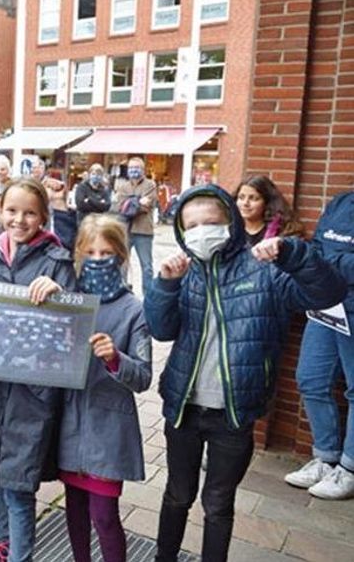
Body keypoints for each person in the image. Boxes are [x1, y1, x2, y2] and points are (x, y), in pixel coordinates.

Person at [145, 185, 345, 561]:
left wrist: (295, 256)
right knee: (176, 494)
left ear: (231, 223)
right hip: (183, 409)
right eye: (193, 225)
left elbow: (326, 294)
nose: (202, 231)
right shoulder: (186, 272)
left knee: (218, 503)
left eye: (212, 222)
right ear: (181, 231)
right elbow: (161, 330)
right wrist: (164, 285)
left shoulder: (264, 270)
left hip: (233, 413)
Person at [0, 177, 75, 562]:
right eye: (11, 210)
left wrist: (59, 295)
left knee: (19, 489)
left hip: (30, 395)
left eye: (29, 213)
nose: (19, 219)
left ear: (43, 216)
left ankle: (19, 555)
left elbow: (70, 330)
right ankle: (2, 546)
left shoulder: (56, 262)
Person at [45, 214, 151, 562]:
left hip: (108, 431)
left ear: (121, 256)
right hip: (69, 426)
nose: (97, 260)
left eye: (106, 252)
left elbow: (144, 376)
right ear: (77, 254)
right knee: (73, 512)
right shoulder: (68, 300)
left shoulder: (133, 310)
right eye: (89, 252)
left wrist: (115, 359)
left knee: (104, 517)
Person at [284, 189, 354, 500]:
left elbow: (325, 256)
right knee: (311, 379)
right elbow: (315, 246)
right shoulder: (341, 202)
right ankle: (326, 457)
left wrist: (327, 259)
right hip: (325, 306)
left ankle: (349, 469)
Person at [112, 157, 157, 295]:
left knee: (147, 266)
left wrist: (130, 202)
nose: (133, 171)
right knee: (122, 263)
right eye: (131, 168)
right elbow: (119, 207)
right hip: (125, 230)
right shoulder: (123, 186)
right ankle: (123, 291)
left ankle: (148, 294)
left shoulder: (150, 185)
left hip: (143, 231)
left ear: (143, 170)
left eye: (137, 168)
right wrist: (138, 201)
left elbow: (147, 206)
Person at [234, 175, 305, 247]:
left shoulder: (284, 232)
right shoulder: (229, 230)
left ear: (267, 202)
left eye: (253, 198)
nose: (245, 203)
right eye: (241, 197)